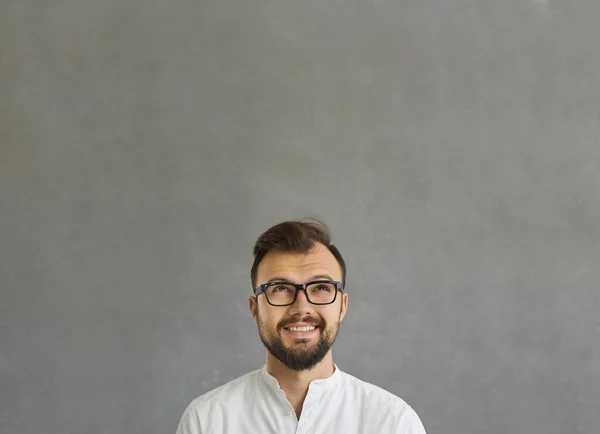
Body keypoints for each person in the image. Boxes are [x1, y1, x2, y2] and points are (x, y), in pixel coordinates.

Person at [176, 220, 426, 433]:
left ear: (343, 306)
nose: (301, 308)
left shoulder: (393, 423)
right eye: (281, 289)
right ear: (255, 309)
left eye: (320, 288)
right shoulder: (207, 421)